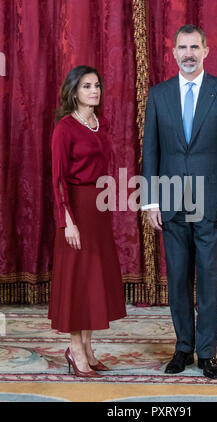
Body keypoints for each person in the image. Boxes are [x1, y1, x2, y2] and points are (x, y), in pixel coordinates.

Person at [142, 25, 217, 379]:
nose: (188, 53)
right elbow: (150, 150)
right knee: (179, 279)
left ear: (206, 50)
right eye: (182, 47)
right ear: (172, 53)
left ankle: (207, 353)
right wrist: (150, 201)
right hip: (170, 201)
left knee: (209, 279)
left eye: (194, 47)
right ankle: (183, 348)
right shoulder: (158, 95)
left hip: (213, 203)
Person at [48, 65, 126, 378]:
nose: (94, 91)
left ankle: (89, 349)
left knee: (95, 279)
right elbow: (57, 180)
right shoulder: (65, 128)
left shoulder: (99, 123)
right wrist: (68, 220)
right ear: (73, 92)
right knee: (78, 281)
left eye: (96, 86)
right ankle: (75, 350)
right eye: (86, 86)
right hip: (76, 209)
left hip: (98, 209)